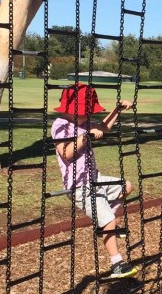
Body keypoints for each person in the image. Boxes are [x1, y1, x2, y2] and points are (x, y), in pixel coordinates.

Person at [51, 83, 137, 279]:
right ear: (70, 110)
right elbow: (66, 153)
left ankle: (104, 227)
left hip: (95, 179)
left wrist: (117, 109)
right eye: (85, 112)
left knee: (126, 186)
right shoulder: (60, 125)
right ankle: (116, 263)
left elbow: (104, 127)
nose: (88, 116)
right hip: (79, 186)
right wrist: (85, 136)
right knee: (109, 220)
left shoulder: (83, 123)